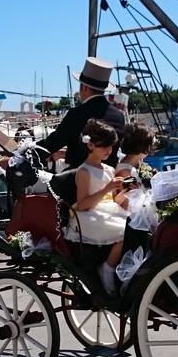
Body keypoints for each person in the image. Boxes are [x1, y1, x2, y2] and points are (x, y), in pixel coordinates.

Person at [65, 119, 130, 295]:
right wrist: (107, 188)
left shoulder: (109, 169)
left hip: (108, 210)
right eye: (105, 147)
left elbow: (116, 199)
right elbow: (84, 204)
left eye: (111, 146)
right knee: (125, 231)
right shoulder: (84, 171)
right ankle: (108, 268)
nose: (109, 151)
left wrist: (127, 192)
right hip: (88, 215)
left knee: (136, 223)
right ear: (91, 145)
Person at [38, 57, 126, 170]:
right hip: (108, 178)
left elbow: (53, 143)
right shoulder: (119, 116)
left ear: (83, 87)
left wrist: (23, 152)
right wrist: (65, 154)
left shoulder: (78, 113)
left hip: (81, 178)